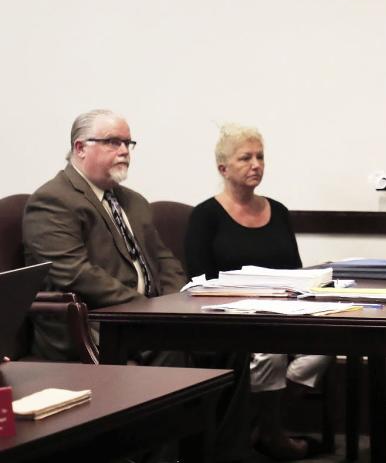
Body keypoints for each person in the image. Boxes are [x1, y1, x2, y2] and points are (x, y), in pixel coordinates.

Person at [22, 109, 250, 461]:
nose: (125, 150)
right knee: (172, 347)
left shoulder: (133, 201)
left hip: (147, 317)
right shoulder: (53, 200)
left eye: (128, 142)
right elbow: (73, 272)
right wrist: (145, 307)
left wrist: (175, 301)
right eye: (113, 141)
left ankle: (217, 454)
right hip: (93, 323)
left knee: (230, 341)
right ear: (80, 147)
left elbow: (164, 260)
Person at [185, 124, 331, 461]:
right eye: (245, 158)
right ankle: (271, 435)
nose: (256, 164)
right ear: (223, 168)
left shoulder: (277, 211)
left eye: (260, 157)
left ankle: (258, 425)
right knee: (271, 354)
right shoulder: (206, 216)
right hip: (233, 318)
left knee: (325, 349)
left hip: (285, 313)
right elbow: (198, 280)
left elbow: (295, 271)